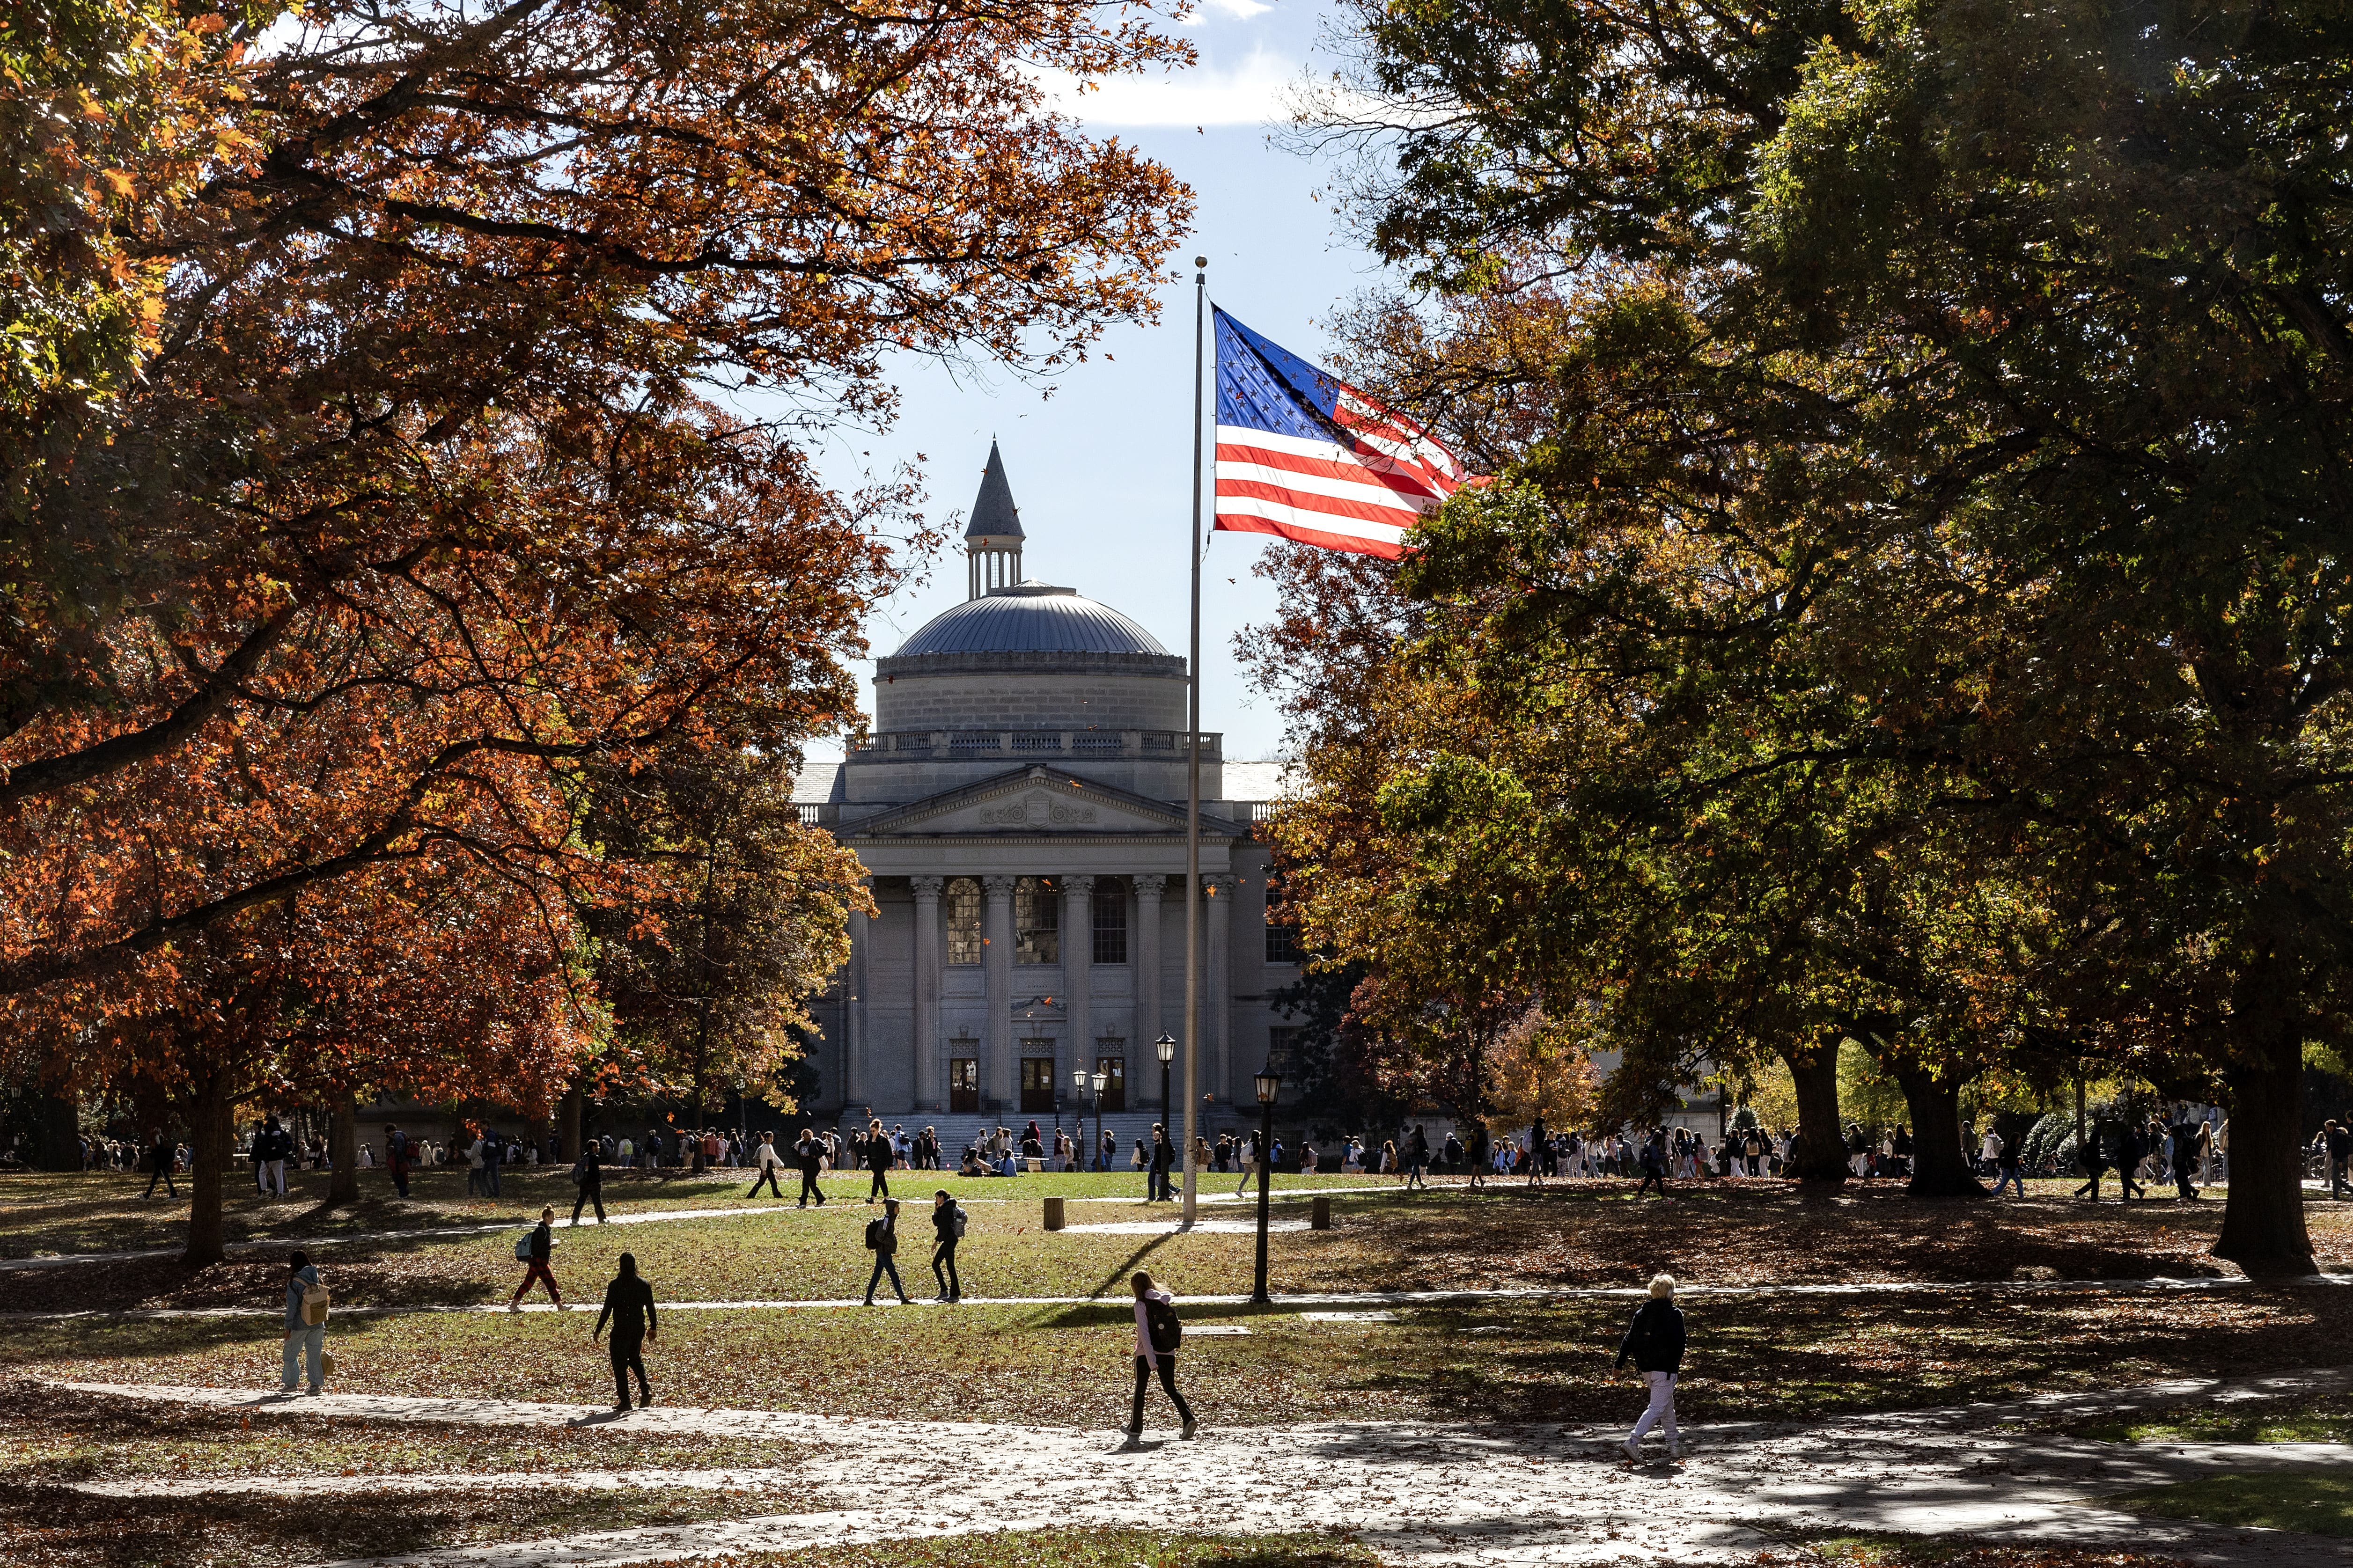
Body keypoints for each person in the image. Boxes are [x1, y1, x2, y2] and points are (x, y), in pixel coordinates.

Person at [1616, 1272, 1685, 1461]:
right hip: (1666, 1369)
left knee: (1666, 1407)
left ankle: (1675, 1445)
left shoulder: (1642, 1314)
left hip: (1647, 1369)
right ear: (1670, 1293)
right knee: (1657, 1408)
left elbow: (1628, 1340)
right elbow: (1681, 1343)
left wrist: (1619, 1364)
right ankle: (1633, 1441)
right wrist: (1674, 1363)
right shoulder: (1674, 1314)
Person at [1125, 1269, 1198, 1442]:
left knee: (1140, 1389)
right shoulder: (1163, 1302)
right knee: (1170, 1388)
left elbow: (1144, 1333)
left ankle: (1135, 1426)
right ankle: (1188, 1419)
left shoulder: (1140, 1305)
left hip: (1146, 1353)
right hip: (1168, 1351)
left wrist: (1151, 1360)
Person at [592, 1253, 657, 1410]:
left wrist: (598, 1329)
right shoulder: (643, 1284)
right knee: (634, 1357)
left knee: (619, 1364)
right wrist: (653, 1326)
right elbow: (650, 1307)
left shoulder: (615, 1285)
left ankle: (626, 1401)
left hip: (620, 1329)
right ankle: (645, 1388)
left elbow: (607, 1309)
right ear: (635, 1265)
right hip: (638, 1328)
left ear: (620, 1266)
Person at [282, 1250, 328, 1396]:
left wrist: (287, 1326)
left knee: (290, 1354)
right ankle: (315, 1386)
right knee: (314, 1355)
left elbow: (292, 1307)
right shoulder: (317, 1279)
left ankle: (291, 1383)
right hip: (317, 1323)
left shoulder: (294, 1282)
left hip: (299, 1325)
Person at [511, 1206, 565, 1310]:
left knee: (528, 1283)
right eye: (553, 1217)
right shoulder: (541, 1230)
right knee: (551, 1282)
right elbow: (537, 1247)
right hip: (539, 1261)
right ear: (547, 1217)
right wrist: (550, 1246)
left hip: (537, 1261)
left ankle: (514, 1305)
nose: (554, 1219)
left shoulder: (545, 1229)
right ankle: (560, 1306)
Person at [863, 1197, 911, 1305]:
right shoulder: (887, 1220)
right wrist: (889, 1242)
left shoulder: (891, 1219)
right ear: (891, 1208)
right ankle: (903, 1299)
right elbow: (879, 1236)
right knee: (894, 1275)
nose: (899, 1209)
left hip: (884, 1252)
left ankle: (868, 1300)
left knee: (877, 1276)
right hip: (884, 1253)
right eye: (897, 1207)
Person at [931, 1187, 964, 1303]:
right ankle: (946, 1291)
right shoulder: (944, 1208)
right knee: (945, 1265)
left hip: (950, 1241)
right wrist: (936, 1210)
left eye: (937, 1198)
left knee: (939, 1265)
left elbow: (943, 1228)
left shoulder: (947, 1209)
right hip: (949, 1241)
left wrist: (936, 1241)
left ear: (942, 1198)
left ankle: (952, 1294)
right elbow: (937, 1223)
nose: (936, 1200)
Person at [571, 1136, 607, 1226]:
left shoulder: (585, 1157)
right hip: (594, 1184)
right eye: (597, 1146)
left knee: (581, 1200)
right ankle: (601, 1219)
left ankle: (575, 1219)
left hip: (584, 1183)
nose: (599, 1148)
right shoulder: (595, 1158)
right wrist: (599, 1182)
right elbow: (595, 1172)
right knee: (597, 1202)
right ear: (594, 1148)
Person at [747, 1131, 787, 1199]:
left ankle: (751, 1196)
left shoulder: (770, 1146)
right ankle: (777, 1195)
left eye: (772, 1137)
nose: (772, 1138)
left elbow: (773, 1157)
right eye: (771, 1137)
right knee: (773, 1182)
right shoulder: (765, 1147)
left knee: (761, 1183)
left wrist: (779, 1165)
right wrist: (764, 1170)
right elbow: (764, 1159)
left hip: (769, 1165)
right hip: (767, 1166)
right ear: (767, 1138)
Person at [794, 1128, 827, 1207]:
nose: (808, 1135)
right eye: (805, 1134)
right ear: (803, 1136)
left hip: (815, 1166)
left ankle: (803, 1202)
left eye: (809, 1133)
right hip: (806, 1166)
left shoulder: (816, 1141)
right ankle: (821, 1200)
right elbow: (795, 1150)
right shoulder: (801, 1144)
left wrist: (817, 1155)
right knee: (812, 1184)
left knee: (805, 1183)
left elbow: (825, 1148)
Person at [141, 1129, 178, 1199]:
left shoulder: (159, 1143)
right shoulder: (161, 1141)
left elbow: (157, 1154)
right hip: (160, 1164)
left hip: (161, 1165)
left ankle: (173, 1195)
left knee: (166, 1180)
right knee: (154, 1181)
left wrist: (149, 1154)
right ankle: (146, 1196)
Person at [864, 1119, 893, 1204]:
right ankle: (887, 1198)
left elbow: (888, 1152)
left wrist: (891, 1164)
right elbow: (868, 1151)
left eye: (874, 1131)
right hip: (873, 1163)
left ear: (878, 1130)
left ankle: (873, 1198)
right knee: (881, 1180)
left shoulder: (883, 1140)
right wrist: (868, 1161)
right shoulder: (870, 1140)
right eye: (871, 1131)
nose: (872, 1132)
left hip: (882, 1163)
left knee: (876, 1179)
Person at [1992, 1132, 2025, 1198]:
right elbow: (2013, 1160)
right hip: (2013, 1169)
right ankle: (2021, 1196)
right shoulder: (2014, 1149)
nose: (2020, 1140)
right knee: (2019, 1183)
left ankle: (1994, 1193)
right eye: (2019, 1138)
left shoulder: (2008, 1148)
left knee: (2003, 1183)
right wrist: (2019, 1168)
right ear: (2017, 1139)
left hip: (2006, 1169)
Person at [1636, 1132, 1669, 1198]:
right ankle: (1664, 1197)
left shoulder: (1650, 1146)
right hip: (1654, 1167)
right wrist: (1665, 1156)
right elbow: (1655, 1157)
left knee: (1651, 1183)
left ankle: (1638, 1197)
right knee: (1656, 1183)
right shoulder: (1654, 1148)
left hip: (1652, 1167)